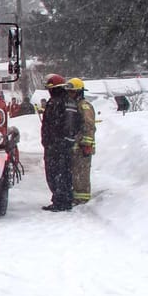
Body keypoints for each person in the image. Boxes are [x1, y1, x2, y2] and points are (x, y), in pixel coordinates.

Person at [40, 73, 80, 211]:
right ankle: (61, 199)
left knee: (58, 173)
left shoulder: (59, 102)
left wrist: (56, 141)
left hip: (57, 145)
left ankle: (61, 201)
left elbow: (64, 124)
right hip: (59, 144)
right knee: (61, 173)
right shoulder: (66, 101)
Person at [68, 77, 96, 204]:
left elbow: (89, 125)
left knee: (81, 174)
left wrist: (86, 144)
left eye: (72, 92)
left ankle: (82, 199)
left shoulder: (84, 106)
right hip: (76, 146)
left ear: (79, 92)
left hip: (83, 147)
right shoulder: (74, 105)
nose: (70, 94)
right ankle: (76, 196)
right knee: (75, 173)